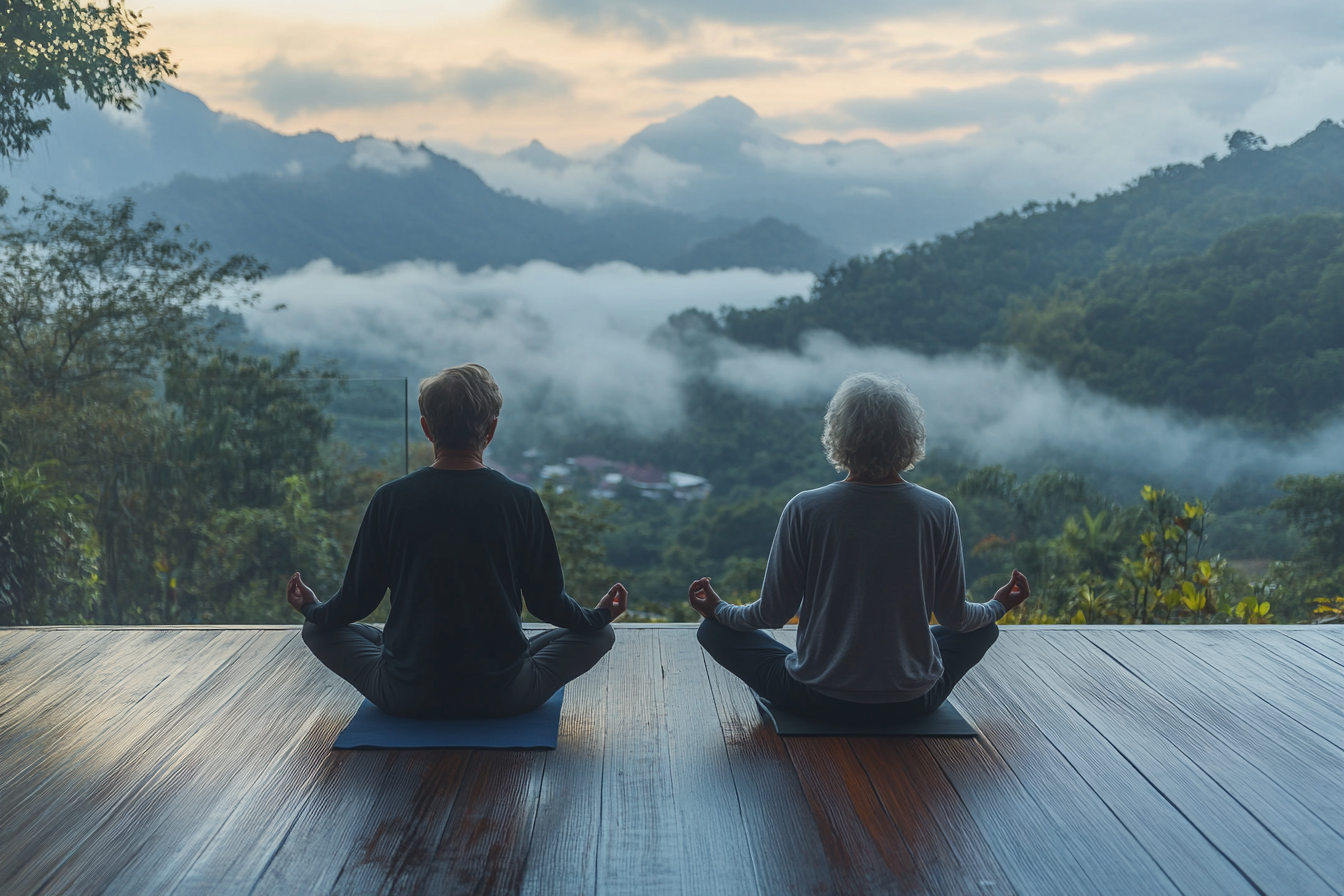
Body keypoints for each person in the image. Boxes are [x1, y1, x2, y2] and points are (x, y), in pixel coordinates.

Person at [286, 362, 625, 719]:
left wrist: (312, 609)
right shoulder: (521, 501)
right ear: (491, 429)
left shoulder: (391, 499)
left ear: (426, 428)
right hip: (504, 695)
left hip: (406, 695)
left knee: (319, 630)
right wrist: (599, 615)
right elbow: (548, 605)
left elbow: (358, 601)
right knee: (600, 635)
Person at [688, 372, 1028, 724]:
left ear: (838, 433)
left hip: (816, 697)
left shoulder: (806, 508)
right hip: (914, 701)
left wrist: (720, 610)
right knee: (984, 627)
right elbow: (956, 619)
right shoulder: (938, 510)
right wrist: (998, 606)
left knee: (713, 631)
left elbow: (771, 615)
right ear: (910, 436)